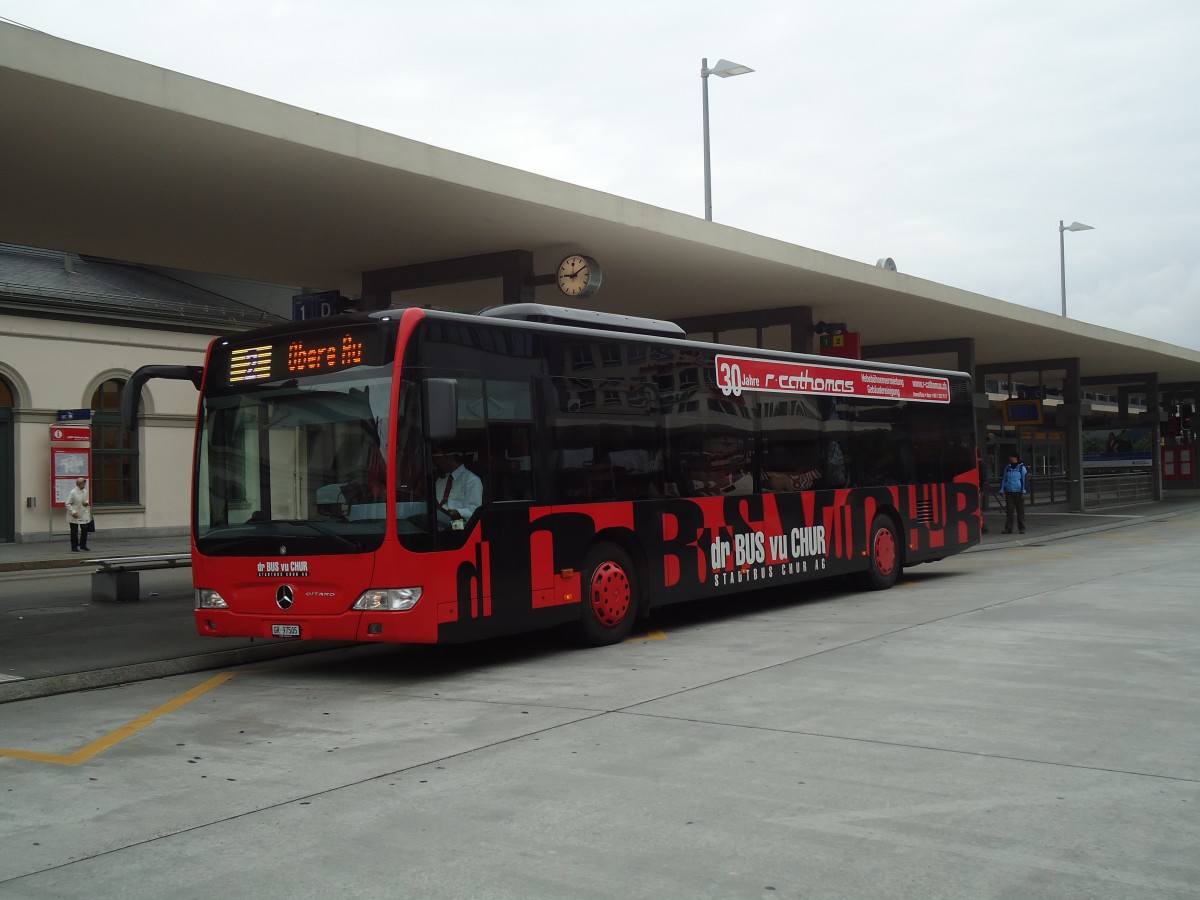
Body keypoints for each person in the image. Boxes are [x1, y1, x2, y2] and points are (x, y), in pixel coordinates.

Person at [433, 448, 482, 527]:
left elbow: (474, 511)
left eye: (439, 458)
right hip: (437, 526)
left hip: (461, 527)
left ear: (451, 456)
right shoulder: (439, 481)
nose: (437, 462)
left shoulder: (472, 480)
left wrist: (456, 513)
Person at [999, 452, 1029, 534]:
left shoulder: (1022, 468)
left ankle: (1022, 528)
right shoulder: (1007, 468)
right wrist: (1002, 490)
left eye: (1011, 457)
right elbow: (1004, 479)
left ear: (1016, 458)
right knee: (1009, 511)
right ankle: (1008, 528)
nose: (1010, 458)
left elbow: (1025, 480)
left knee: (1020, 511)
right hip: (1009, 491)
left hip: (1018, 492)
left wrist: (1024, 491)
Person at [65, 476, 92, 552]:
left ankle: (83, 545)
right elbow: (67, 504)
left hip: (83, 513)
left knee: (85, 529)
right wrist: (73, 512)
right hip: (74, 514)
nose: (84, 486)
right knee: (74, 530)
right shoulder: (73, 492)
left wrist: (86, 503)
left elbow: (86, 499)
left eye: (84, 484)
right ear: (78, 484)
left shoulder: (85, 491)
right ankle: (74, 547)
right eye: (82, 484)